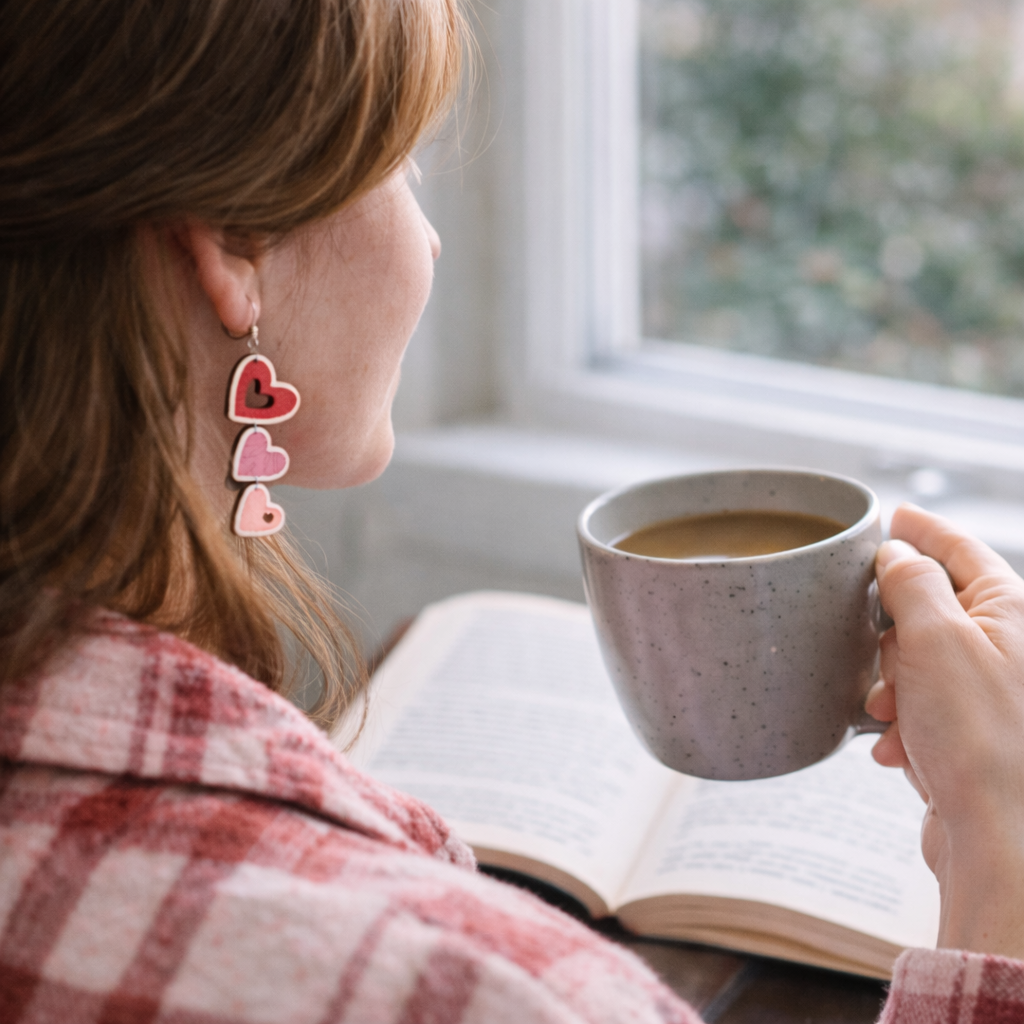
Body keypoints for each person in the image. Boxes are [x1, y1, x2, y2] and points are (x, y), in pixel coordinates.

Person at [0, 1, 1022, 1022]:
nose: (433, 239)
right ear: (233, 243)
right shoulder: (481, 990)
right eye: (401, 165)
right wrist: (1004, 879)